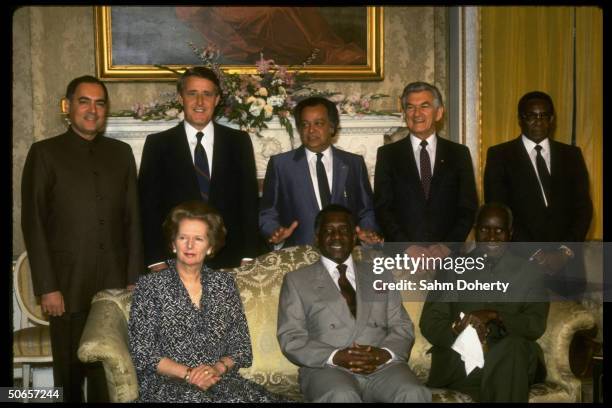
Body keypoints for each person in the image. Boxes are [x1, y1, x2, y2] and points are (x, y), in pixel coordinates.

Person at [21, 75, 143, 402]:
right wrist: (47, 286)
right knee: (70, 376)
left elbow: (133, 219)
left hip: (114, 286)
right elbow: (33, 224)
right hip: (66, 286)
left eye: (99, 103)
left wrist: (133, 278)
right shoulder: (44, 154)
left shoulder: (121, 153)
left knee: (110, 371)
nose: (92, 109)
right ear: (68, 106)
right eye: (84, 101)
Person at [128, 201, 288, 402]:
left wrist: (216, 369)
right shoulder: (150, 286)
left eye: (198, 239)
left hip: (218, 380)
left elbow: (241, 348)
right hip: (167, 383)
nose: (189, 245)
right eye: (183, 237)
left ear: (210, 246)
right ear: (173, 244)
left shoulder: (224, 285)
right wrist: (188, 374)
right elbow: (143, 353)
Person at [277, 204, 431, 402]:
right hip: (327, 368)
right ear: (317, 238)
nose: (337, 236)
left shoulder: (379, 274)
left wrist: (384, 354)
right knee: (342, 396)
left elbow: (401, 325)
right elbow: (291, 337)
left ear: (354, 236)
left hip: (382, 366)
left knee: (413, 392)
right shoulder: (297, 281)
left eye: (343, 230)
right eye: (329, 231)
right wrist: (335, 356)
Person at [419, 203, 549, 402]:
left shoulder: (530, 273)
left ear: (510, 233)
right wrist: (456, 328)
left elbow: (535, 325)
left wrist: (496, 316)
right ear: (474, 231)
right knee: (504, 376)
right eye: (484, 230)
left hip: (514, 360)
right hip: (463, 362)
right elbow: (430, 322)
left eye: (499, 231)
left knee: (511, 350)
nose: (491, 238)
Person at [138, 66, 259, 271]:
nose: (200, 102)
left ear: (217, 99)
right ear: (180, 98)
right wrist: (155, 261)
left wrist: (248, 257)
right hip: (173, 262)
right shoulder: (158, 144)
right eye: (192, 94)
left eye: (207, 94)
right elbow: (148, 208)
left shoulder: (239, 142)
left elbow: (248, 203)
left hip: (229, 261)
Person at [483, 91, 593, 298]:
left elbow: (583, 210)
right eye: (531, 116)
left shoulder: (572, 155)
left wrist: (564, 252)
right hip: (521, 265)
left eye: (544, 116)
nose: (538, 121)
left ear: (552, 119)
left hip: (568, 270)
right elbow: (500, 213)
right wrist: (536, 253)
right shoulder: (500, 155)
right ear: (520, 119)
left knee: (572, 327)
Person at [374, 81, 478, 264]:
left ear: (439, 113)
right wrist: (407, 247)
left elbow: (468, 207)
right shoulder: (388, 155)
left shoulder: (459, 154)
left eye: (424, 106)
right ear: (404, 114)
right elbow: (383, 208)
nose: (417, 114)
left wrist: (446, 246)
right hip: (403, 259)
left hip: (449, 259)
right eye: (410, 107)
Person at [260, 96, 381, 248]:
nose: (311, 130)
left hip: (344, 252)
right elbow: (268, 213)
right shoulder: (281, 165)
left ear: (331, 127)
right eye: (305, 124)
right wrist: (274, 231)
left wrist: (367, 231)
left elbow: (366, 211)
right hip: (299, 254)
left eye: (318, 123)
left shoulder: (353, 163)